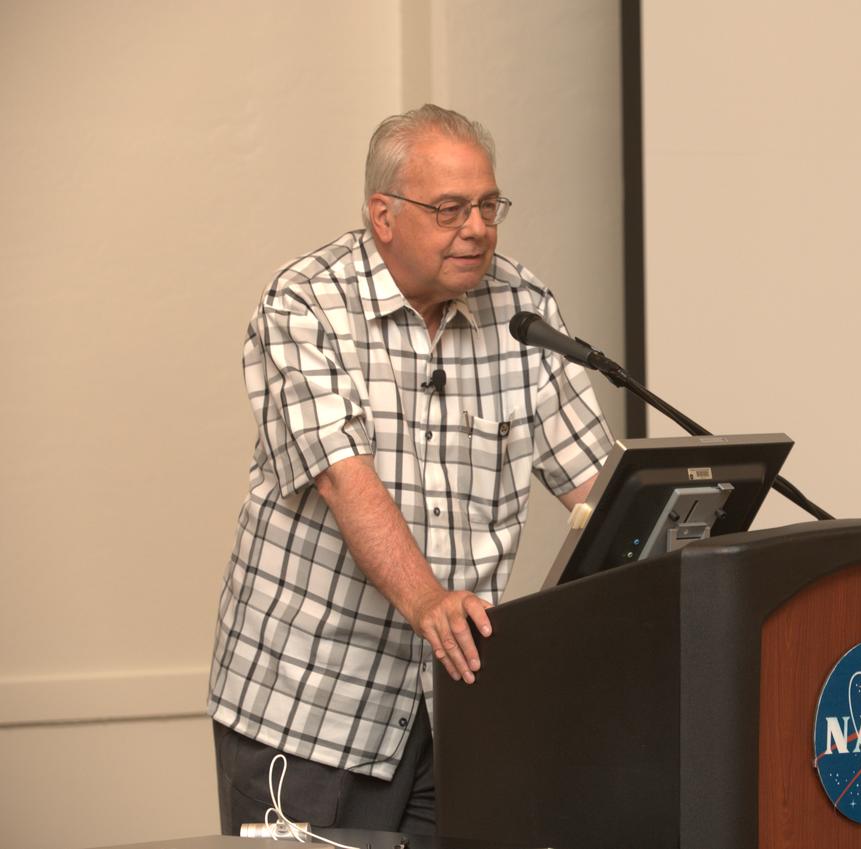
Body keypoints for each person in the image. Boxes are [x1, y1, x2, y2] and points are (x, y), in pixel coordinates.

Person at [206, 104, 614, 836]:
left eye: (490, 205)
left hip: (452, 709)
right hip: (309, 711)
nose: (479, 227)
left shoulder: (522, 306)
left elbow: (593, 484)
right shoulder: (305, 303)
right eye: (452, 208)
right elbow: (340, 475)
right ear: (383, 214)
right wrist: (428, 600)